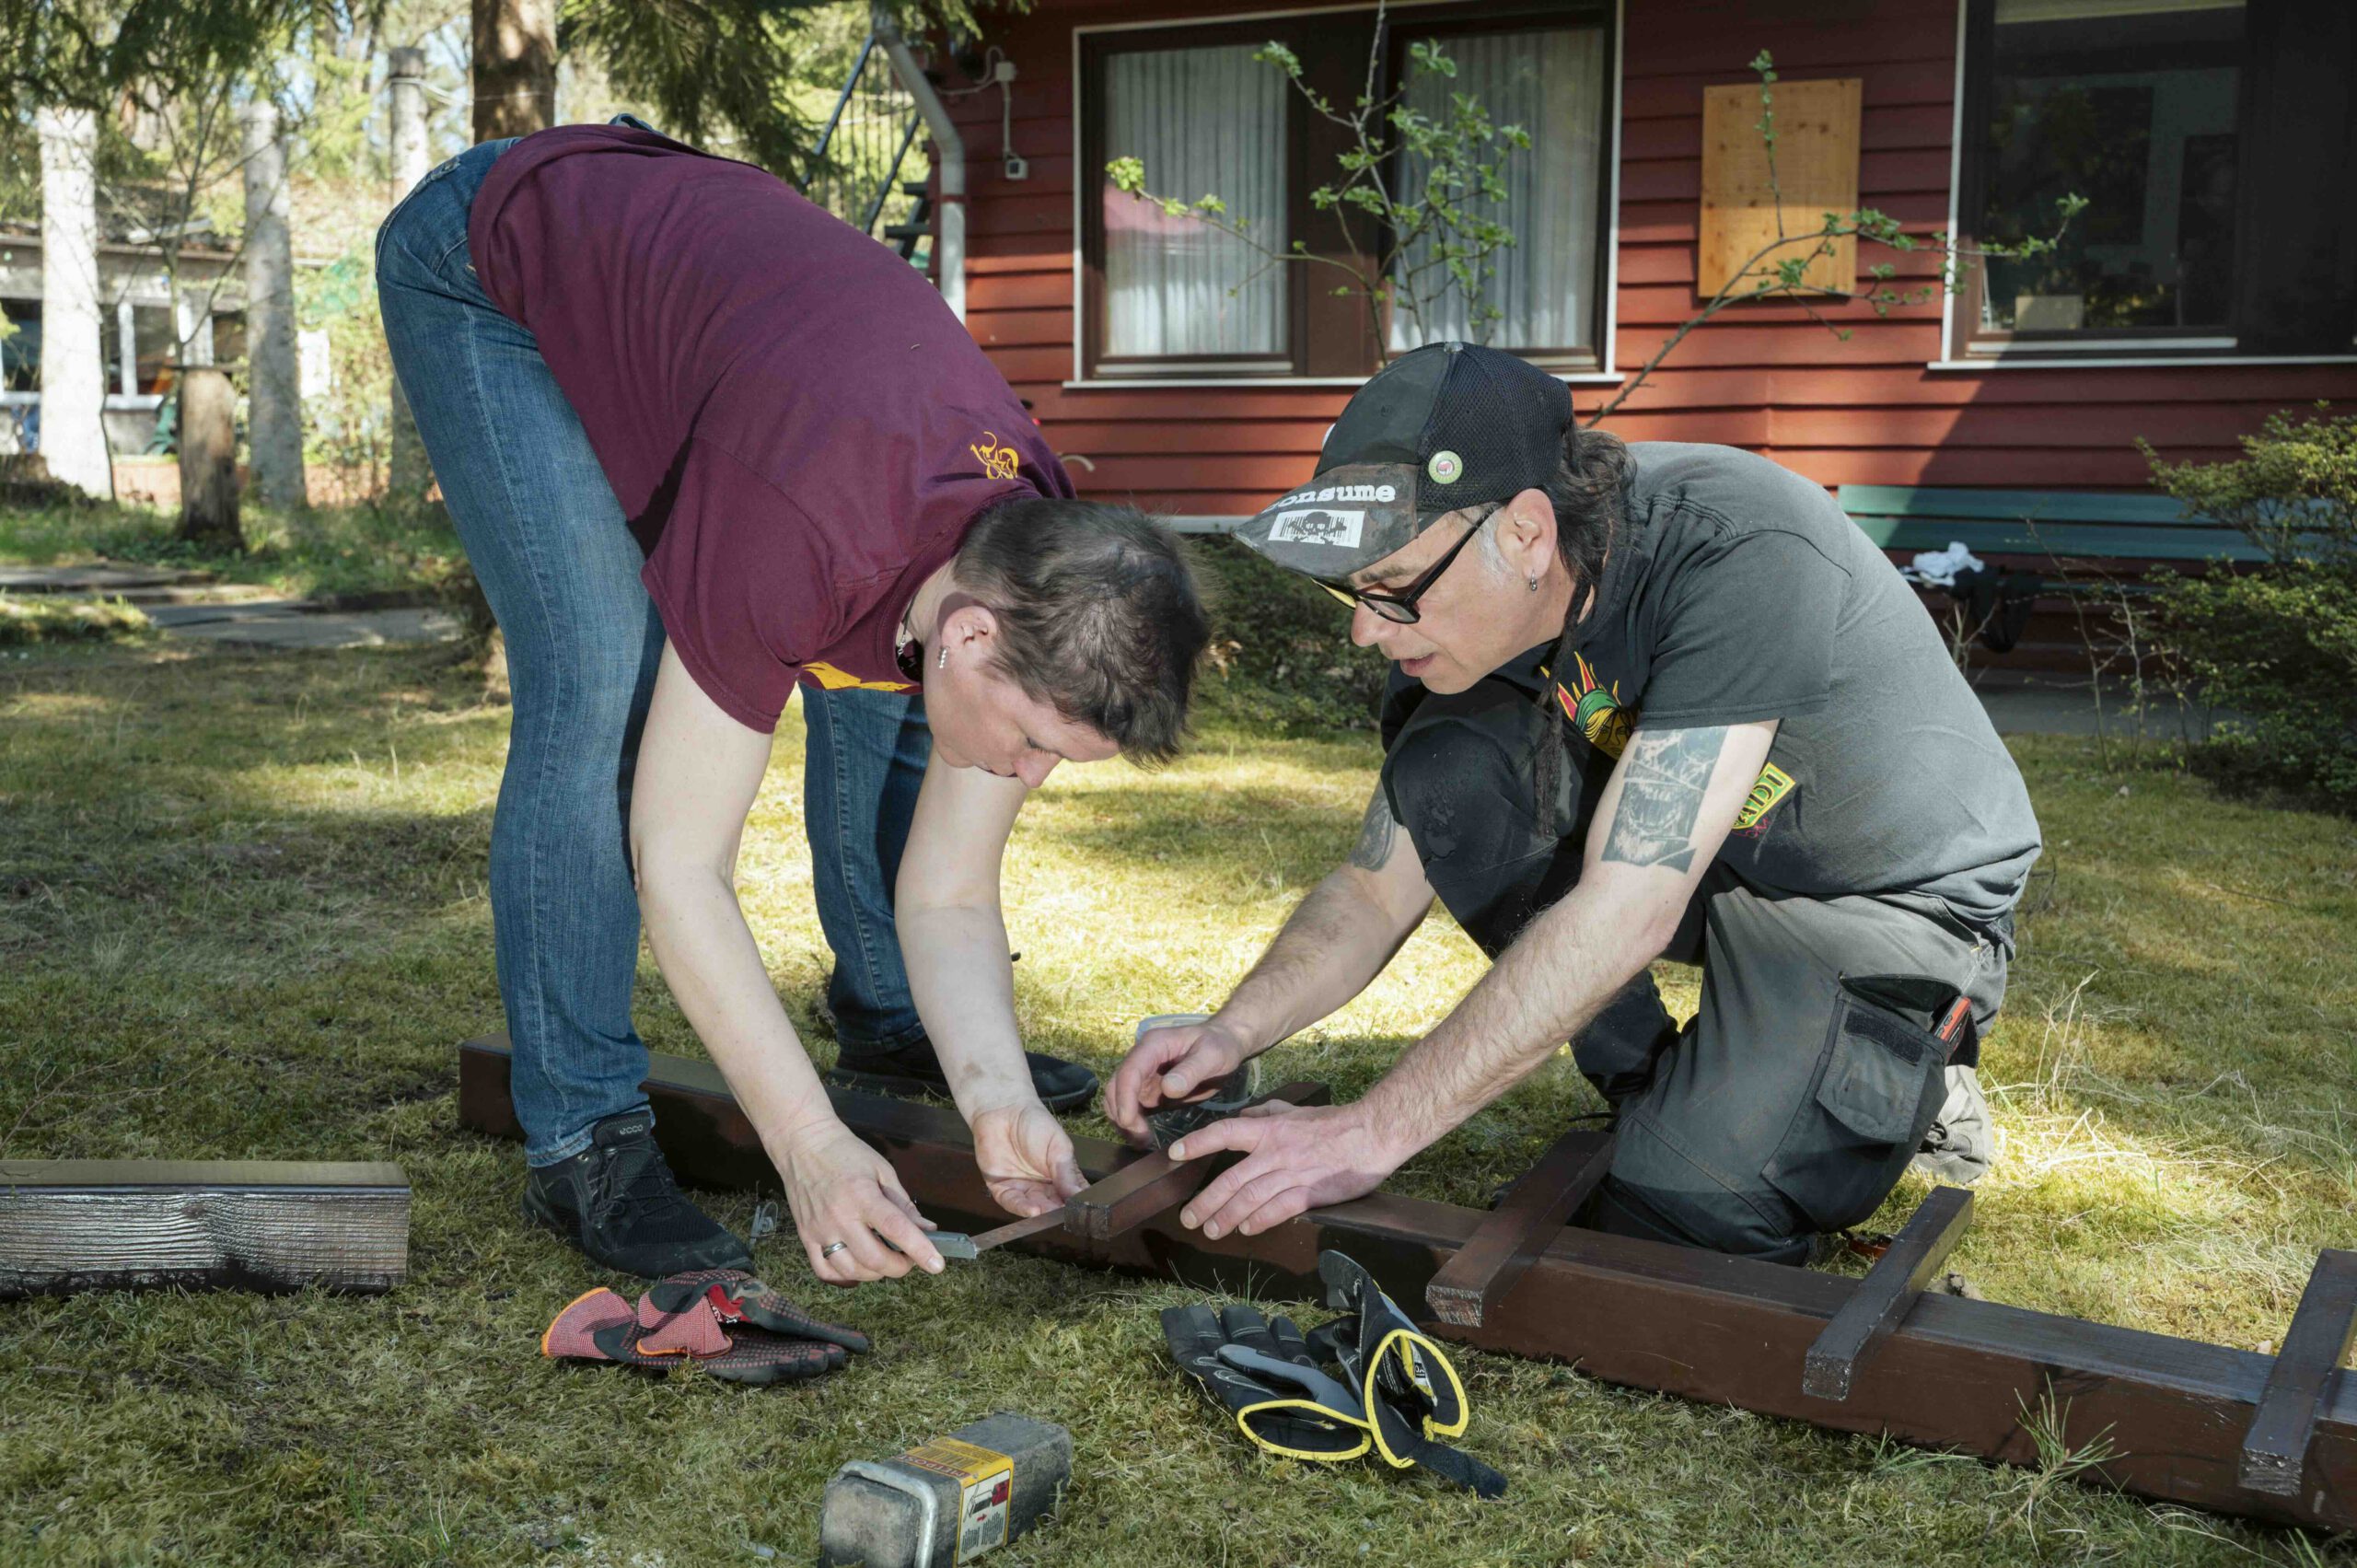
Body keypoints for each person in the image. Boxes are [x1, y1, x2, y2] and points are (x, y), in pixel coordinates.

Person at [377, 120, 1209, 1284]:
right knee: (602, 696)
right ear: (971, 634)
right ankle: (582, 1137)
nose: (1030, 776)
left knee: (876, 702)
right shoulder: (798, 533)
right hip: (495, 254)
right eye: (1031, 743)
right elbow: (682, 867)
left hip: (728, 317)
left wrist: (999, 1095)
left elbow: (952, 889)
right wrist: (808, 1140)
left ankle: (882, 1017)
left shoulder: (1029, 544)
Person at [1106, 342, 2039, 1265]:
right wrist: (1233, 1028)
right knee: (1449, 774)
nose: (1363, 629)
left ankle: (1910, 1072)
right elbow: (1376, 881)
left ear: (1524, 532)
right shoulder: (1481, 610)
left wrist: (1372, 1129)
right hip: (1708, 858)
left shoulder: (1736, 549)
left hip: (1880, 891)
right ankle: (1657, 1084)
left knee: (1685, 1206)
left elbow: (1629, 901)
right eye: (1352, 590)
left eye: (1390, 590)